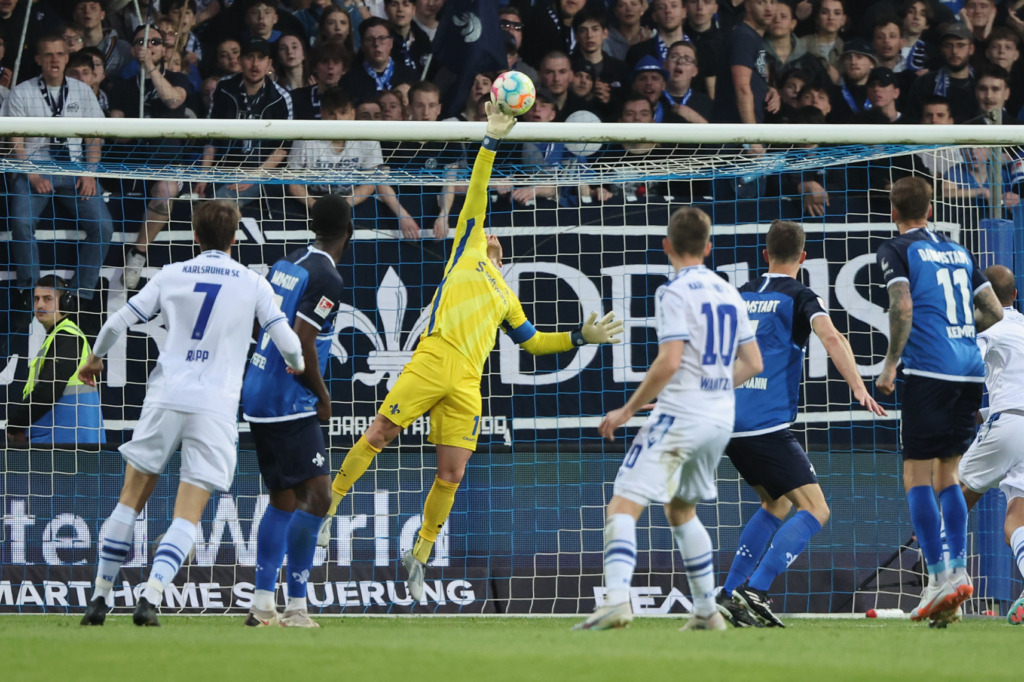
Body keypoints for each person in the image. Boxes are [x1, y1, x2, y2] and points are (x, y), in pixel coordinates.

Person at [316, 104, 625, 606]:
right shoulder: (468, 250)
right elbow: (477, 191)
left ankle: (419, 554)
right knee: (380, 433)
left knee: (452, 473)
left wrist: (579, 337)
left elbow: (534, 343)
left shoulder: (506, 296)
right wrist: (490, 141)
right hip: (434, 357)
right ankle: (328, 509)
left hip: (467, 382)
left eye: (493, 234)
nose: (490, 233)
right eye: (485, 230)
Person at [79, 200, 304, 627]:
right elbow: (287, 341)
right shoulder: (252, 282)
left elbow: (115, 322)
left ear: (195, 236)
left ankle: (99, 598)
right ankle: (150, 597)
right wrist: (298, 364)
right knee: (188, 512)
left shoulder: (172, 274)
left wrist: (95, 358)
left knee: (129, 500)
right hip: (214, 407)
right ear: (234, 238)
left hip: (165, 396)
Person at [573, 206, 763, 631]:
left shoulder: (673, 291)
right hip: (719, 419)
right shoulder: (729, 292)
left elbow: (670, 361)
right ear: (708, 247)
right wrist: (711, 388)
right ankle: (706, 612)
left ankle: (616, 602)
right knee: (681, 509)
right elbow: (753, 362)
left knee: (623, 502)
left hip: (683, 414)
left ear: (667, 246)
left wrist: (626, 409)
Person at [717, 221, 886, 628]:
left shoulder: (741, 294)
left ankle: (729, 593)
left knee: (776, 503)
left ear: (765, 254)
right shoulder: (800, 295)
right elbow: (831, 337)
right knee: (816, 508)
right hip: (764, 424)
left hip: (728, 421)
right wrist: (857, 386)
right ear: (803, 257)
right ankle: (757, 589)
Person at [875, 176, 1004, 623]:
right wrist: (957, 327)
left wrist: (891, 363)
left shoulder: (896, 249)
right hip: (969, 371)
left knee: (915, 475)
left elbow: (902, 306)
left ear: (894, 212)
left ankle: (936, 578)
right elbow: (994, 311)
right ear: (930, 210)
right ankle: (959, 569)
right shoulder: (958, 251)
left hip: (929, 371)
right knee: (948, 474)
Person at [241, 194, 353, 628]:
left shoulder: (285, 263)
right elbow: (303, 341)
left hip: (257, 391)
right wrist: (322, 397)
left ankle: (262, 604)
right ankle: (296, 607)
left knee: (284, 498)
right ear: (349, 231)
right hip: (289, 398)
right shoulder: (328, 277)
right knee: (319, 496)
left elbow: (261, 321)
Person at [3, 33, 113, 317]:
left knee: (103, 227)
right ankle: (29, 291)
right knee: (21, 222)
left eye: (60, 54)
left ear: (67, 58)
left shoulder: (82, 91)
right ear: (38, 59)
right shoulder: (22, 92)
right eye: (48, 54)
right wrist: (32, 174)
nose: (54, 60)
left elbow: (95, 137)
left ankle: (79, 294)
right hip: (34, 168)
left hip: (75, 169)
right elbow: (15, 140)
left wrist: (90, 173)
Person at [955, 265, 1024, 623]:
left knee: (950, 495)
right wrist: (983, 413)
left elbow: (965, 367)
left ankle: (946, 585)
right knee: (1016, 520)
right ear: (1015, 295)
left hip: (1010, 422)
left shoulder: (988, 326)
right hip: (1015, 419)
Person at [112, 25, 192, 291]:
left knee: (166, 191)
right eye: (141, 42)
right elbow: (118, 136)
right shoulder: (122, 86)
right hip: (133, 164)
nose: (148, 46)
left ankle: (138, 253)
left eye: (155, 42)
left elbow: (173, 101)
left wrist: (150, 68)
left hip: (168, 163)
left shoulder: (178, 79)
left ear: (164, 48)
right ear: (133, 50)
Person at [5, 275, 105, 448]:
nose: (40, 305)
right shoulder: (57, 337)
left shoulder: (68, 337)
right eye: (36, 299)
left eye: (47, 299)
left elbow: (49, 389)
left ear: (65, 303)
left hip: (70, 443)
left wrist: (15, 424)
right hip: (60, 439)